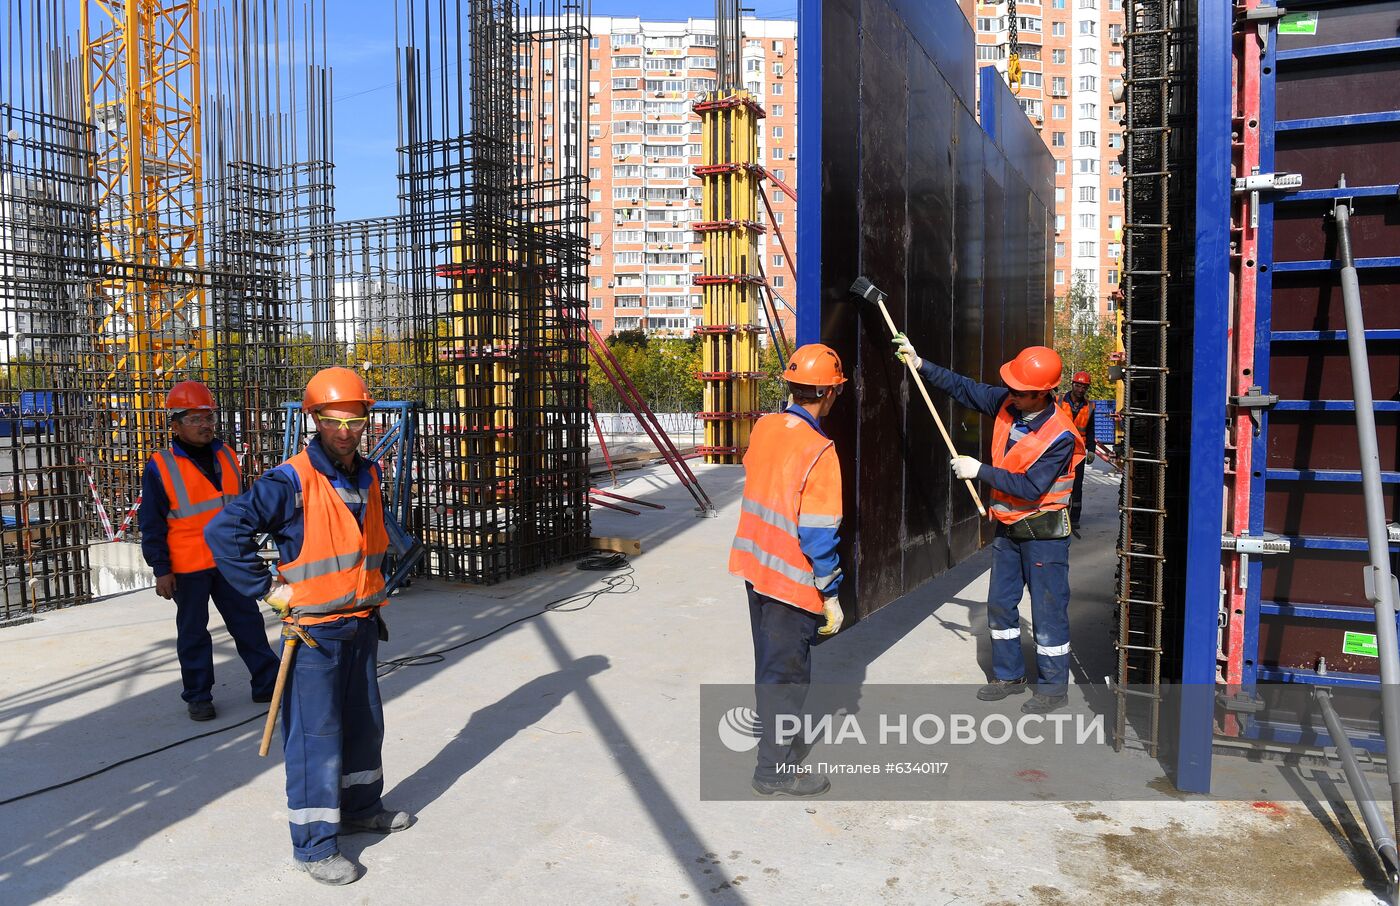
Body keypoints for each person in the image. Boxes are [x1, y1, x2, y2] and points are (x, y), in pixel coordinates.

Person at [206, 366, 411, 886]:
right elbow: (224, 530)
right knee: (316, 739)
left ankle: (361, 808)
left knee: (364, 727)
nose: (345, 428)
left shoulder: (367, 474)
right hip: (314, 633)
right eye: (332, 418)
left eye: (354, 417)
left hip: (361, 623)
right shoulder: (290, 480)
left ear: (368, 417)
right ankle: (316, 844)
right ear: (313, 419)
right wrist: (271, 592)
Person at [893, 336, 1085, 713]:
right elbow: (965, 389)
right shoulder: (1007, 404)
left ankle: (1052, 687)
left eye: (1020, 390)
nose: (1010, 393)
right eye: (1011, 387)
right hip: (1008, 530)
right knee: (1000, 604)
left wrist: (979, 470)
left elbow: (1031, 488)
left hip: (1043, 534)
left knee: (1047, 610)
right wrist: (921, 364)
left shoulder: (1061, 435)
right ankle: (1008, 675)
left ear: (1043, 394)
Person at [729, 343, 848, 797]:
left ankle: (784, 739)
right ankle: (772, 771)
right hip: (789, 580)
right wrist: (831, 592)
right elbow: (819, 532)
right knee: (787, 676)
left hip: (755, 566)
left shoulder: (765, 427)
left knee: (770, 666)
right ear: (830, 393)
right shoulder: (820, 450)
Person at [139, 381, 279, 722]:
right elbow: (152, 522)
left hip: (230, 560)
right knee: (193, 633)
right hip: (188, 565)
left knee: (248, 623)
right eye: (195, 419)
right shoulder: (162, 465)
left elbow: (241, 507)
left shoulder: (227, 455)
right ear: (175, 425)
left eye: (209, 417)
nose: (205, 425)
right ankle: (199, 696)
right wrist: (161, 568)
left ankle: (267, 683)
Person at [1058, 370, 1096, 535]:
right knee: (1059, 482)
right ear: (1073, 384)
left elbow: (1091, 431)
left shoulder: (1089, 407)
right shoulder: (1058, 401)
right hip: (1059, 450)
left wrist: (1091, 450)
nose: (1081, 389)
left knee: (1077, 485)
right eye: (1078, 385)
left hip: (1078, 451)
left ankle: (1074, 518)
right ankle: (1059, 514)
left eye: (1084, 387)